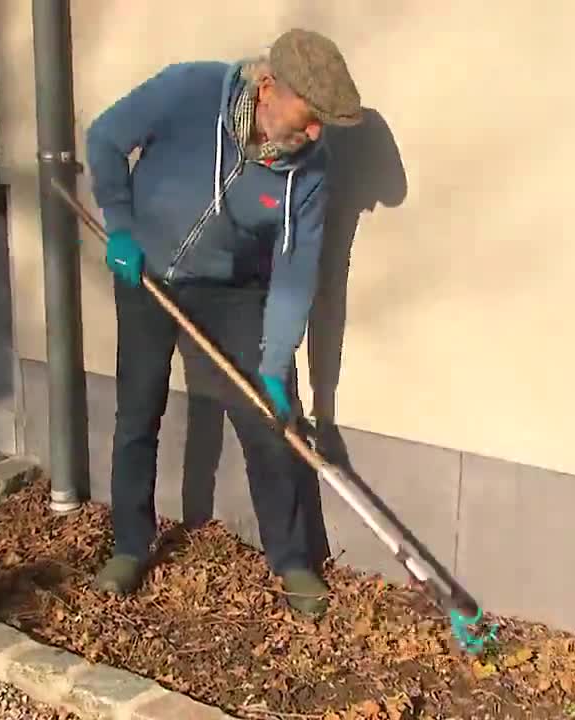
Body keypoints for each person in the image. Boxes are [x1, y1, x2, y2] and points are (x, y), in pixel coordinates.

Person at [83, 28, 363, 616]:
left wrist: (275, 361)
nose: (315, 134)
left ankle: (292, 560)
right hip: (148, 273)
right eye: (309, 117)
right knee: (138, 409)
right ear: (268, 89)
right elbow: (106, 137)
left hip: (234, 291)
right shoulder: (190, 89)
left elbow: (294, 271)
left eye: (323, 125)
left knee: (269, 420)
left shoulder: (310, 171)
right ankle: (130, 545)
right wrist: (122, 224)